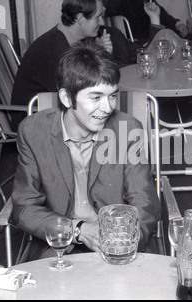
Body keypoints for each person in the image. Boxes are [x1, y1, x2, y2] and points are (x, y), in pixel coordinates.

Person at [11, 41, 161, 261]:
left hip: (119, 245)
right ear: (66, 98)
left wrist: (120, 241)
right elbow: (24, 207)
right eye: (96, 97)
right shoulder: (33, 132)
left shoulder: (127, 129)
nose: (108, 107)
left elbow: (145, 201)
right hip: (60, 246)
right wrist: (77, 230)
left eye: (112, 96)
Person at [11, 0, 165, 106]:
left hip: (58, 106)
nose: (102, 23)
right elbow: (83, 93)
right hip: (35, 116)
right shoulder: (55, 49)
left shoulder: (71, 40)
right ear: (79, 18)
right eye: (98, 17)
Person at [105, 0, 188, 44]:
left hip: (152, 36)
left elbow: (159, 11)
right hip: (133, 41)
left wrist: (176, 23)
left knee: (186, 41)